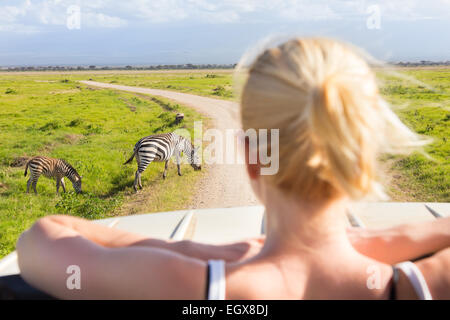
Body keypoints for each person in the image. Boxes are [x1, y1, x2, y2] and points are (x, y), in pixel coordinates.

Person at [16, 38, 449, 299]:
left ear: (251, 157)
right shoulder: (420, 285)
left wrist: (200, 251)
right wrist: (378, 241)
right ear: (366, 158)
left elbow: (41, 236)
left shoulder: (197, 285)